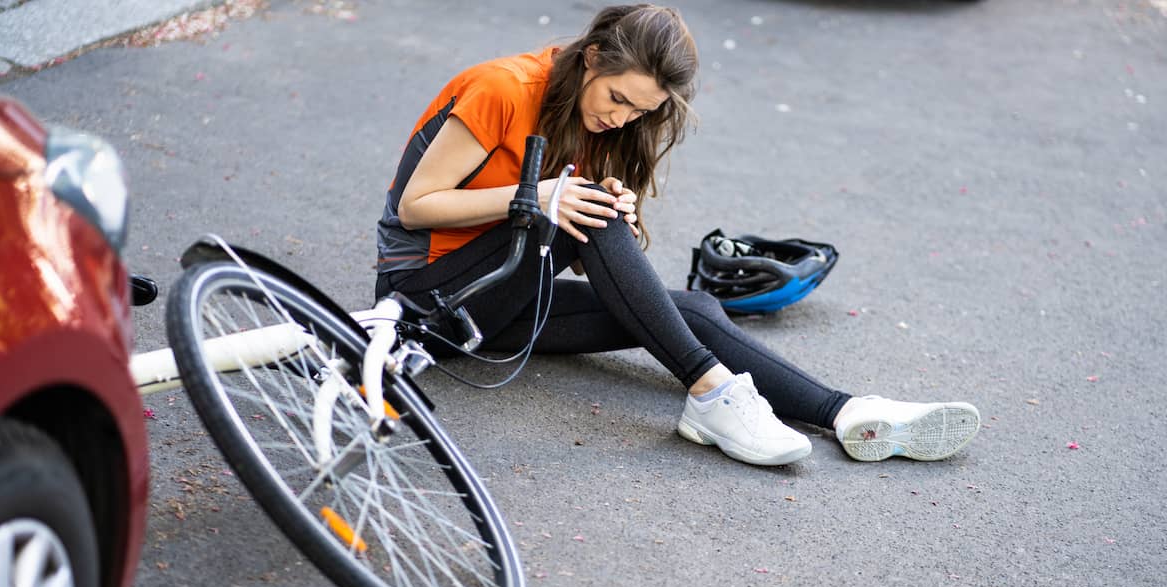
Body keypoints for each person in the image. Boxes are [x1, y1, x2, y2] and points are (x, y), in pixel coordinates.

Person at [374, 4, 980, 465]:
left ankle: (847, 412)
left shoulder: (596, 117)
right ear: (590, 57)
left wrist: (605, 207)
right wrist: (544, 198)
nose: (621, 118)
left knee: (691, 306)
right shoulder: (503, 88)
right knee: (585, 215)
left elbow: (577, 252)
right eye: (617, 98)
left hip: (501, 307)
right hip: (426, 301)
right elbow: (416, 206)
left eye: (639, 112)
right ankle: (713, 393)